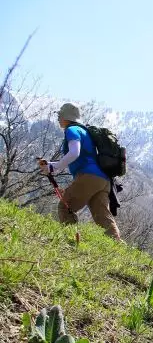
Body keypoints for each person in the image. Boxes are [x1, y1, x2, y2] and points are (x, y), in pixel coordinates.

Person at [37, 103, 120, 240]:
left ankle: (69, 239)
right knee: (102, 216)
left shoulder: (72, 130)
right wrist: (51, 166)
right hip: (103, 180)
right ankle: (117, 246)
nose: (58, 118)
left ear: (66, 116)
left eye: (59, 115)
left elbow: (74, 153)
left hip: (89, 177)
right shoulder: (85, 132)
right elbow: (83, 156)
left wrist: (56, 166)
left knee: (65, 207)